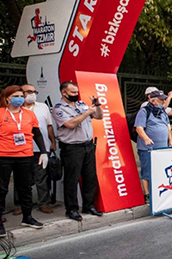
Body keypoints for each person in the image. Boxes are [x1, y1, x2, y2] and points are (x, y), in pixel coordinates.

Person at [0, 86, 48, 235]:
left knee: (25, 188)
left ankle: (27, 217)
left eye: (21, 95)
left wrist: (44, 152)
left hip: (25, 155)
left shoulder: (29, 114)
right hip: (4, 156)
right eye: (16, 96)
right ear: (7, 98)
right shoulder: (1, 113)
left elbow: (37, 134)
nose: (20, 98)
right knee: (1, 189)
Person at [52, 81, 104, 222]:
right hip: (72, 148)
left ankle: (89, 206)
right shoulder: (58, 108)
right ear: (64, 93)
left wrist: (97, 105)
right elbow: (70, 124)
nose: (76, 95)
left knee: (89, 177)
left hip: (88, 145)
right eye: (73, 92)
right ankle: (72, 209)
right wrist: (87, 113)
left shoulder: (81, 104)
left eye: (77, 92)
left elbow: (99, 116)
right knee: (72, 180)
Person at [16, 84, 56, 213]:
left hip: (41, 149)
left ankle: (43, 203)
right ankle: (21, 205)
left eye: (34, 91)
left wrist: (53, 142)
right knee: (21, 178)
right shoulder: (15, 108)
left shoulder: (42, 107)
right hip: (21, 149)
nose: (32, 94)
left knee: (42, 177)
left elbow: (49, 126)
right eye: (29, 91)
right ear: (21, 93)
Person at [135, 90, 172, 200]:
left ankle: (158, 191)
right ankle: (147, 194)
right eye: (161, 99)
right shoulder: (144, 111)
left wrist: (170, 141)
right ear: (153, 100)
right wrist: (146, 138)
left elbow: (167, 127)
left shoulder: (162, 112)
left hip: (162, 147)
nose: (164, 101)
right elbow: (139, 128)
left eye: (164, 99)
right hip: (147, 148)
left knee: (161, 169)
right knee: (147, 171)